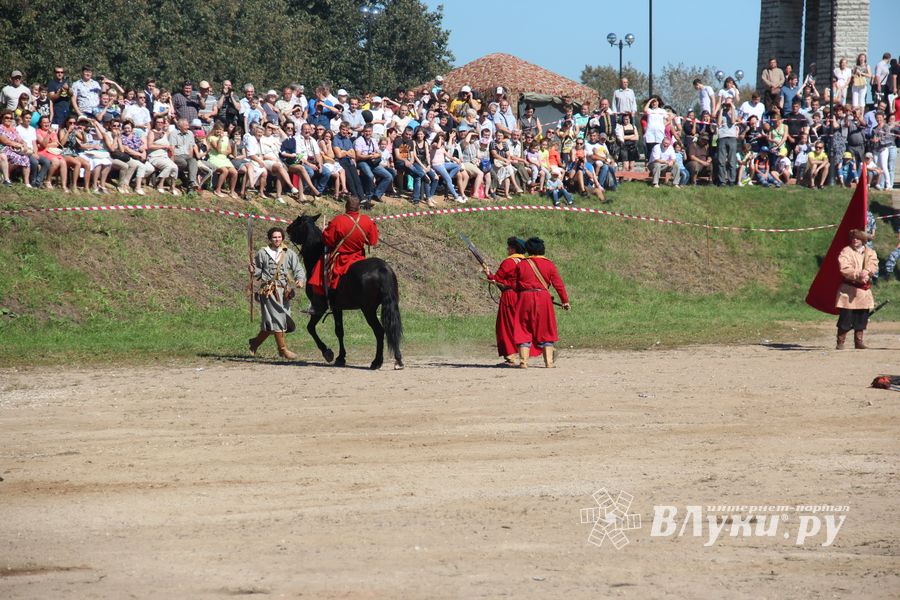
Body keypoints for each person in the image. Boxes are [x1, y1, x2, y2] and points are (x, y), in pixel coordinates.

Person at [248, 227, 306, 359]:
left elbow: (298, 269)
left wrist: (300, 280)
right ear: (270, 238)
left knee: (274, 322)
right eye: (274, 237)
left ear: (282, 238)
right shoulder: (263, 253)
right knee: (278, 319)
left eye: (279, 237)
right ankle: (283, 350)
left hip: (284, 291)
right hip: (269, 291)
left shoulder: (289, 253)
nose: (277, 239)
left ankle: (255, 342)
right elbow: (258, 272)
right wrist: (253, 269)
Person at [513, 237, 570, 369]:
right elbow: (558, 285)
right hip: (543, 299)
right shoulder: (549, 264)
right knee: (546, 328)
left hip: (525, 297)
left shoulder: (521, 264)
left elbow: (515, 285)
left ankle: (523, 362)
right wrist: (565, 301)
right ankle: (548, 363)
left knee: (523, 328)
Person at [482, 236, 537, 366]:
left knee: (506, 326)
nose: (507, 249)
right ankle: (543, 349)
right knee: (524, 325)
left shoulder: (509, 262)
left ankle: (511, 356)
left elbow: (498, 278)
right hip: (525, 296)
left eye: (509, 247)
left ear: (513, 249)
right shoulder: (528, 262)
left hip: (510, 296)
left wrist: (488, 274)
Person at [321, 196, 379, 292]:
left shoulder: (338, 220)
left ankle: (325, 296)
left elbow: (328, 241)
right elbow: (373, 241)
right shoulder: (367, 220)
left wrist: (325, 231)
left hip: (341, 261)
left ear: (346, 207)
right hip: (359, 257)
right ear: (359, 207)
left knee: (322, 272)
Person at [835, 229, 878, 350]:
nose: (855, 240)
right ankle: (840, 341)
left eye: (858, 238)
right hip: (849, 290)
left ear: (863, 240)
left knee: (862, 317)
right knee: (845, 318)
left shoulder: (870, 252)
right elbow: (844, 267)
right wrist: (858, 274)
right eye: (853, 238)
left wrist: (867, 272)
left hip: (863, 291)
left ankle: (858, 341)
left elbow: (873, 264)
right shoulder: (846, 251)